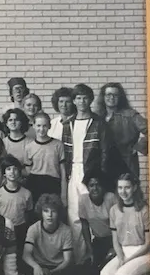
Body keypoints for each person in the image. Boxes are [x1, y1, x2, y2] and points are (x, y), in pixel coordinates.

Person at [62, 83, 119, 225]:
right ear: (74, 101)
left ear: (91, 100)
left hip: (91, 173)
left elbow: (106, 152)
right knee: (74, 213)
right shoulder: (68, 124)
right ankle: (77, 248)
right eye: (78, 98)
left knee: (92, 212)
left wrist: (101, 177)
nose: (82, 102)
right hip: (72, 172)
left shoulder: (99, 123)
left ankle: (94, 246)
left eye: (85, 98)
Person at [23, 194, 97, 275]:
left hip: (59, 267)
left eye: (53, 211)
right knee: (28, 271)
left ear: (58, 213)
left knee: (89, 273)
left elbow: (67, 260)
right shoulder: (34, 228)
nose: (49, 215)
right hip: (41, 265)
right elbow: (26, 255)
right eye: (46, 211)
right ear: (41, 213)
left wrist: (53, 272)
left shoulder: (65, 230)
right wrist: (36, 267)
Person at [99, 174, 150, 275]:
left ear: (135, 188)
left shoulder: (144, 210)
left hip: (142, 253)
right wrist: (121, 257)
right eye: (120, 188)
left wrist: (128, 260)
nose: (123, 192)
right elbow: (115, 240)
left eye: (127, 187)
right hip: (124, 252)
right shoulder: (114, 210)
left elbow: (148, 244)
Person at [94, 82, 148, 180]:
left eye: (115, 95)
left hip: (126, 163)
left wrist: (139, 146)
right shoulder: (97, 117)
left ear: (120, 97)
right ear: (103, 97)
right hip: (103, 164)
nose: (112, 98)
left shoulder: (130, 115)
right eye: (108, 94)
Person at [0, 155, 34, 266]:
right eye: (8, 169)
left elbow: (28, 215)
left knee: (18, 255)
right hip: (4, 229)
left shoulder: (26, 194)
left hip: (20, 229)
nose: (12, 172)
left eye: (15, 169)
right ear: (4, 173)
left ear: (19, 171)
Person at [76, 170, 118, 269]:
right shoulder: (83, 200)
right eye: (91, 185)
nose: (95, 188)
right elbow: (85, 227)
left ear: (103, 186)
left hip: (113, 240)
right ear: (87, 187)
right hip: (98, 241)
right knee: (89, 266)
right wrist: (90, 250)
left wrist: (115, 247)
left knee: (107, 267)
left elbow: (121, 226)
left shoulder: (111, 198)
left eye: (98, 185)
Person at [25, 112, 66, 204]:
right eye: (38, 125)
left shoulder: (58, 145)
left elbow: (63, 171)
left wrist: (64, 193)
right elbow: (28, 170)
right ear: (33, 126)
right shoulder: (29, 147)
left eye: (45, 126)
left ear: (50, 126)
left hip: (53, 184)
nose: (41, 129)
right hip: (35, 184)